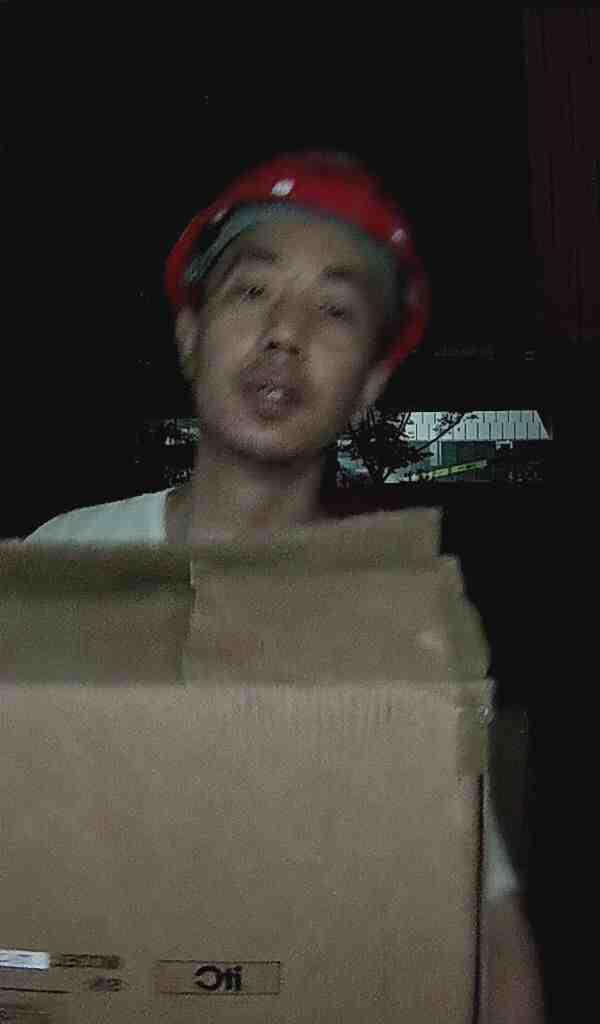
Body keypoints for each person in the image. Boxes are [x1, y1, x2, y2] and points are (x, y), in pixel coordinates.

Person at [26, 151, 543, 1020]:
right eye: (252, 290)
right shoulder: (63, 565)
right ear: (190, 336)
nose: (284, 333)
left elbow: (488, 932)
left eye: (335, 310)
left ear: (370, 384)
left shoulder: (399, 624)